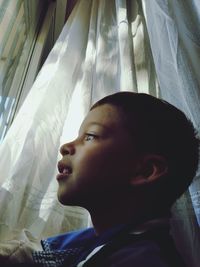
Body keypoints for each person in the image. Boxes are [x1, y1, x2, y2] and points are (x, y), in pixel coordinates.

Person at [2, 92, 200, 266]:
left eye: (90, 136)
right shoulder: (88, 242)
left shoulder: (143, 260)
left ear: (145, 171)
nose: (66, 146)